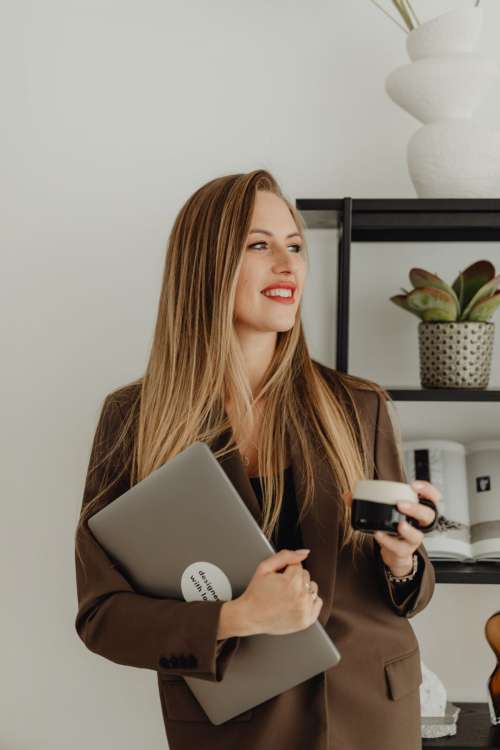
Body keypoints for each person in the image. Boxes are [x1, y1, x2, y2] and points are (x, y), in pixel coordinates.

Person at [73, 169, 438, 750]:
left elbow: (408, 594)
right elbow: (102, 617)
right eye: (259, 245)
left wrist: (405, 561)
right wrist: (237, 617)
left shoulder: (358, 405)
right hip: (239, 730)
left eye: (294, 246)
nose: (288, 265)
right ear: (206, 266)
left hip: (370, 716)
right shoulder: (133, 422)